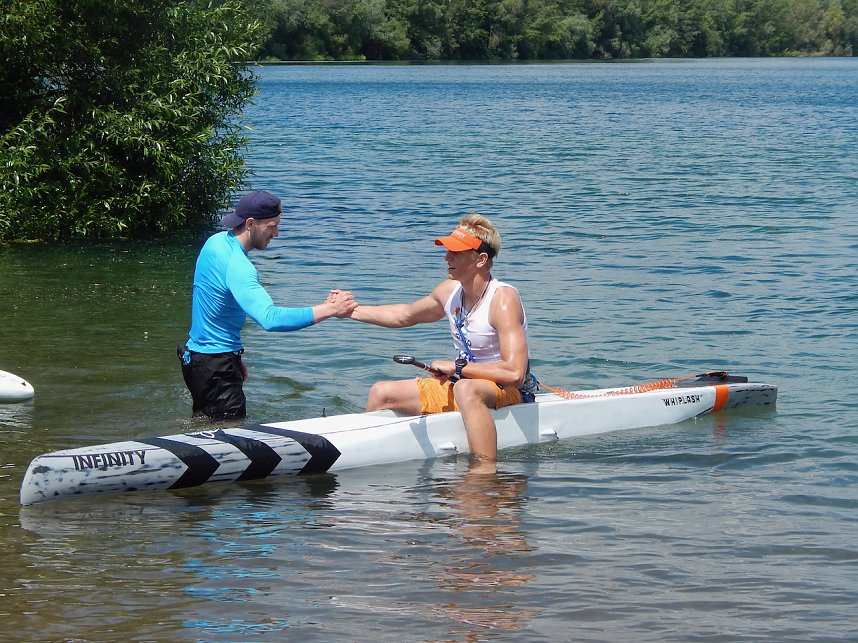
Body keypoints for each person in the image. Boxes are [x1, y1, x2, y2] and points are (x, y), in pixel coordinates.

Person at [347, 213, 536, 460]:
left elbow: (514, 373)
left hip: (510, 391)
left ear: (480, 259)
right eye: (448, 250)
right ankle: (366, 456)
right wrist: (348, 311)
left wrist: (458, 367)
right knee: (381, 392)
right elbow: (404, 315)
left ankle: (484, 473)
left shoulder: (503, 299)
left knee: (467, 389)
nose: (447, 257)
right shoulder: (449, 292)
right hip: (463, 383)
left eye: (456, 252)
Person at [178, 190, 356, 420]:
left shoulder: (216, 243)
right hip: (217, 368)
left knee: (203, 429)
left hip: (197, 359)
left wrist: (233, 357)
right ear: (250, 223)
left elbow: (213, 307)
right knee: (230, 443)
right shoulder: (239, 265)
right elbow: (270, 319)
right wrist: (331, 309)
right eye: (272, 226)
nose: (277, 234)